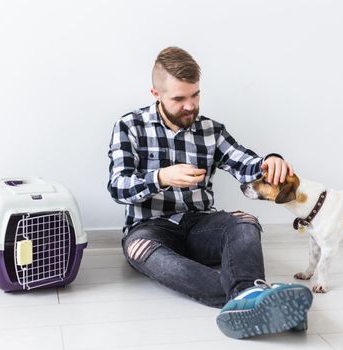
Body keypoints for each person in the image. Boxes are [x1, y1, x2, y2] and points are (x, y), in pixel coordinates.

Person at [107, 46, 312, 339]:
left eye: (195, 95)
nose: (190, 106)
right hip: (149, 229)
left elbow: (246, 163)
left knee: (245, 221)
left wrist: (270, 161)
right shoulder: (129, 127)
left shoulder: (211, 130)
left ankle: (251, 299)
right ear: (156, 95)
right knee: (139, 249)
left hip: (200, 224)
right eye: (179, 98)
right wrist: (161, 177)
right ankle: (254, 298)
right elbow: (118, 186)